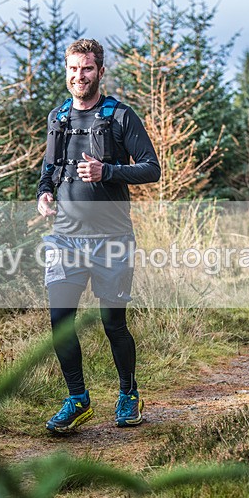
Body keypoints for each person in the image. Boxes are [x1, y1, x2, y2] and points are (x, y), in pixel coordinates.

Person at [36, 39, 160, 434]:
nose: (79, 76)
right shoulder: (58, 117)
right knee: (60, 321)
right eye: (73, 69)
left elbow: (151, 169)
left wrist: (108, 172)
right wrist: (44, 194)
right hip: (65, 238)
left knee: (113, 323)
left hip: (112, 237)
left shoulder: (121, 116)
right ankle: (77, 399)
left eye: (86, 69)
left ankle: (128, 394)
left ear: (100, 72)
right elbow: (48, 170)